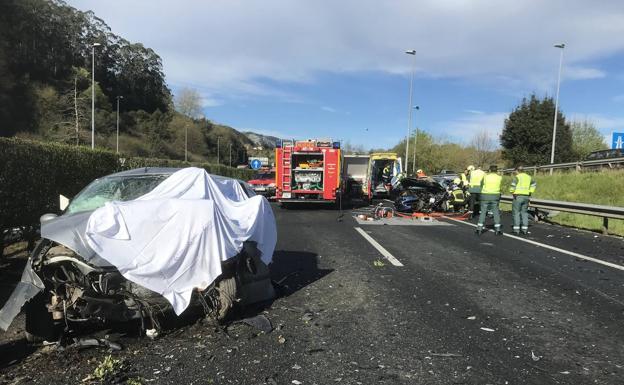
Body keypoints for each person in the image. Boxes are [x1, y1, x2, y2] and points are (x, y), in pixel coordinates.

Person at [509, 166, 537, 234]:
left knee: (516, 213)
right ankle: (524, 229)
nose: (514, 173)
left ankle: (516, 229)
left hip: (518, 196)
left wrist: (512, 192)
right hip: (526, 197)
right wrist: (530, 191)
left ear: (517, 170)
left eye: (515, 171)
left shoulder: (517, 177)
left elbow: (513, 186)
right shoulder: (528, 177)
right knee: (524, 213)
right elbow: (534, 183)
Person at [476, 164, 502, 235]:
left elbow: (481, 185)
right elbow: (501, 186)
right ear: (496, 170)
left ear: (490, 170)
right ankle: (498, 230)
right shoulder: (499, 177)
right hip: (495, 196)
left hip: (485, 196)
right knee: (496, 212)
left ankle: (479, 229)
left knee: (483, 212)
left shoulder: (485, 177)